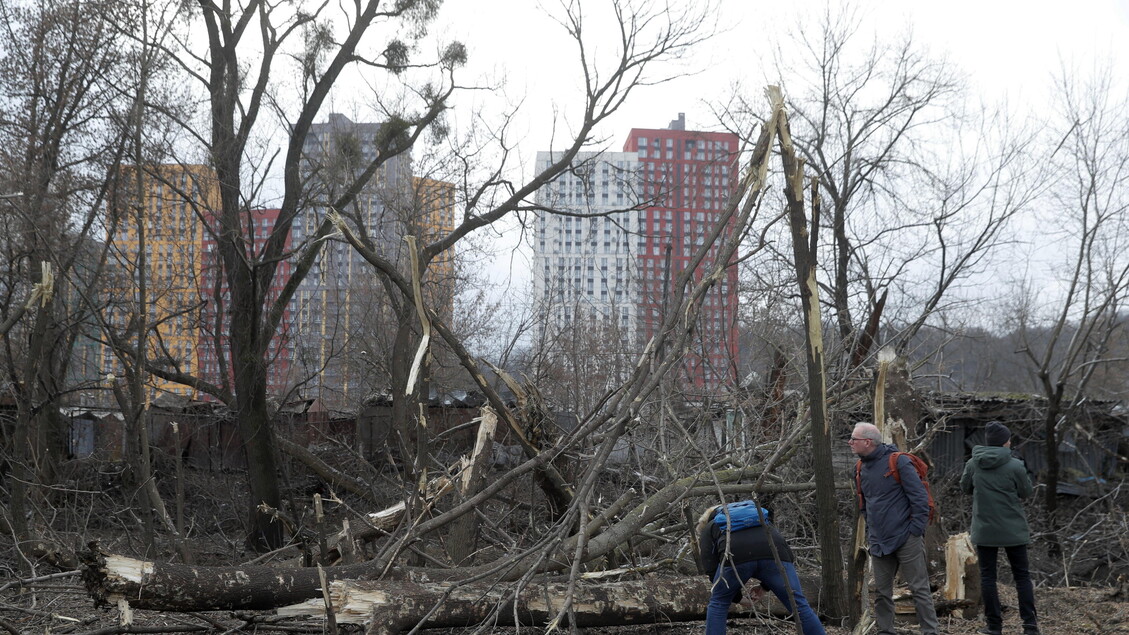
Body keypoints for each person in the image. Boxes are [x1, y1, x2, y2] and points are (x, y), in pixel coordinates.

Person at [850, 422, 939, 635]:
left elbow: (919, 499)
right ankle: (885, 631)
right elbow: (864, 504)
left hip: (907, 537)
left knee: (919, 589)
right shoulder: (860, 467)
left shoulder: (898, 462)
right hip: (879, 540)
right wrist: (871, 530)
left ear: (868, 442)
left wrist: (915, 530)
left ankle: (930, 631)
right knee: (881, 592)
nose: (850, 442)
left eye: (854, 439)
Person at [697, 501, 826, 635]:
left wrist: (737, 598)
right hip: (774, 553)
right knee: (799, 605)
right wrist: (765, 586)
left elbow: (712, 570)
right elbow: (787, 553)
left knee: (719, 603)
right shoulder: (759, 517)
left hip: (736, 555)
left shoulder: (710, 526)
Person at [961, 421, 1040, 635]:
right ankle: (1030, 626)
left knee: (988, 578)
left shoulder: (973, 464)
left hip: (985, 529)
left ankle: (994, 627)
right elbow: (1026, 492)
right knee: (1022, 577)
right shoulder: (1015, 465)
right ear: (1006, 442)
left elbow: (964, 487)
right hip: (1013, 529)